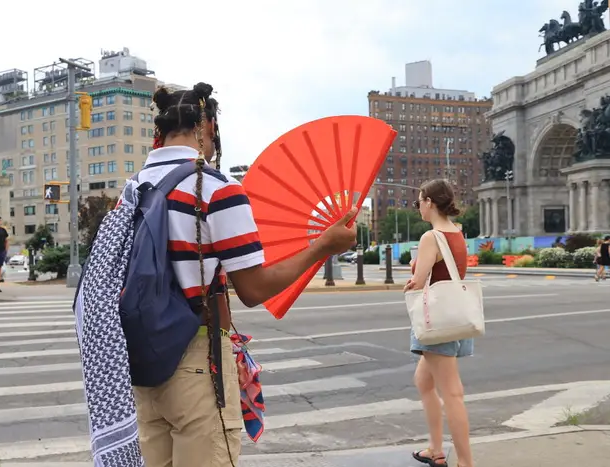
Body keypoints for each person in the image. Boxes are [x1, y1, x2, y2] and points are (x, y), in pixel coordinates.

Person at [129, 82, 357, 467]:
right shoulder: (216, 188)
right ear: (208, 127)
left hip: (141, 362)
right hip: (196, 360)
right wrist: (323, 246)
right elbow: (253, 288)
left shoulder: (132, 188)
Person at [404, 179, 474, 467]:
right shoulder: (456, 233)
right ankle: (435, 448)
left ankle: (466, 463)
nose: (418, 206)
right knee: (423, 381)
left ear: (430, 202)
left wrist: (411, 277)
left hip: (437, 323)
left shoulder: (431, 237)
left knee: (452, 392)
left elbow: (418, 283)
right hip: (453, 316)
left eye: (419, 201)